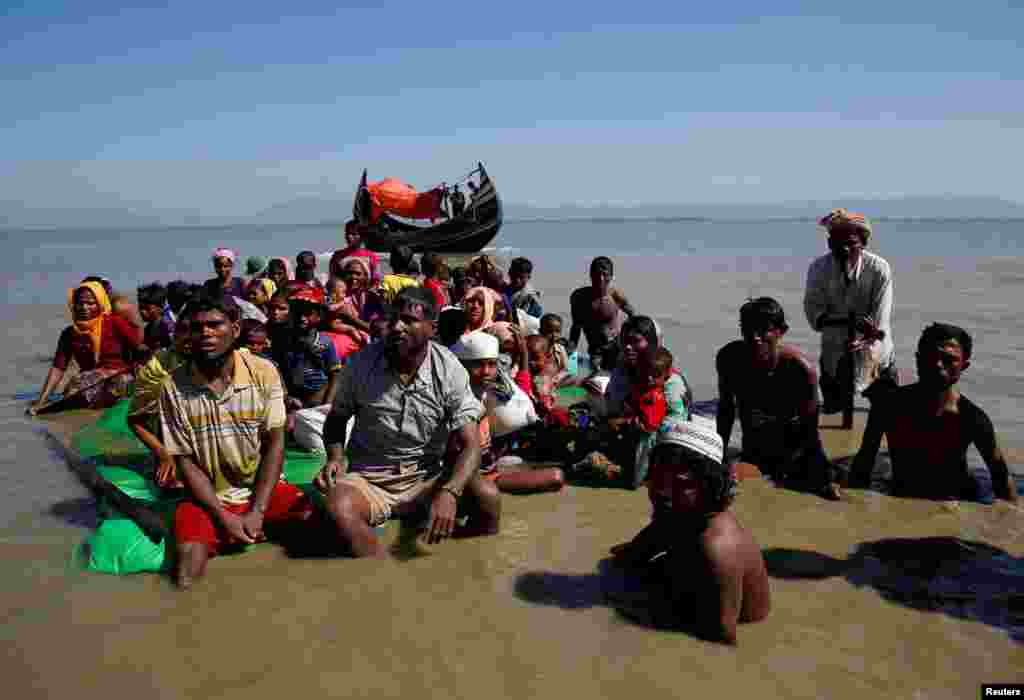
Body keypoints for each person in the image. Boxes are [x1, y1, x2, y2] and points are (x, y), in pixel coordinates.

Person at [313, 287, 500, 557]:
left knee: (489, 498)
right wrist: (335, 457)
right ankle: (379, 576)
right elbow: (335, 421)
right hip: (370, 480)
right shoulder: (361, 364)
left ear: (432, 328)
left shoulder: (448, 369)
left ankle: (466, 566)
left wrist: (449, 492)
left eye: (409, 320)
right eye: (392, 319)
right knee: (338, 509)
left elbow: (471, 445)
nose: (397, 326)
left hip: (427, 478)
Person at [158, 293, 317, 588]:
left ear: (235, 327)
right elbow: (185, 462)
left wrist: (257, 510)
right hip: (208, 501)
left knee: (322, 534)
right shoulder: (173, 386)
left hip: (265, 493)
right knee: (185, 573)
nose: (205, 333)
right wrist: (222, 517)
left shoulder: (263, 371)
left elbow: (275, 443)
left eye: (214, 324)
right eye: (197, 327)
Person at [610, 418, 771, 644]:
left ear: (710, 485)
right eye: (656, 479)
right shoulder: (677, 513)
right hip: (692, 592)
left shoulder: (717, 548)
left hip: (715, 621)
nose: (663, 492)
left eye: (681, 484)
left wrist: (640, 616)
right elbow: (631, 556)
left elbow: (721, 637)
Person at [850, 323, 1017, 503]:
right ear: (918, 358)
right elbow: (862, 467)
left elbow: (1001, 479)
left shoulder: (972, 419)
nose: (937, 364)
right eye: (930, 356)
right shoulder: (889, 406)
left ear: (964, 365)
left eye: (948, 359)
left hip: (958, 497)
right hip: (902, 490)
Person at [716, 298, 841, 501]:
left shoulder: (801, 370)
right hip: (754, 449)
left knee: (830, 493)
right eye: (748, 329)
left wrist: (821, 476)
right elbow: (726, 411)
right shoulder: (729, 359)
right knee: (722, 487)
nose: (755, 337)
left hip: (794, 451)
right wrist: (718, 456)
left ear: (780, 332)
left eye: (763, 329)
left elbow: (810, 432)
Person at [804, 209, 895, 412]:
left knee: (887, 410)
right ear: (829, 244)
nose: (844, 249)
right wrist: (844, 323)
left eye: (851, 243)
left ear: (863, 243)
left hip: (875, 350)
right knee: (833, 411)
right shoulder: (818, 269)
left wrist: (868, 336)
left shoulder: (879, 268)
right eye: (837, 243)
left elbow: (881, 316)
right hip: (834, 348)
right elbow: (813, 312)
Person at [450, 332, 565, 494]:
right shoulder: (458, 399)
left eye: (491, 365)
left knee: (554, 474)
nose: (486, 371)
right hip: (468, 477)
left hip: (490, 468)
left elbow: (522, 390)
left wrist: (523, 353)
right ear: (463, 366)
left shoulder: (494, 393)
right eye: (478, 365)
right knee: (553, 476)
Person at [592, 316, 691, 487]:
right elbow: (613, 408)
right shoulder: (622, 371)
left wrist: (626, 424)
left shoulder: (670, 381)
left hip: (660, 442)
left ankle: (637, 476)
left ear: (652, 343)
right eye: (624, 341)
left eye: (636, 341)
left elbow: (673, 425)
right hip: (627, 432)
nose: (628, 347)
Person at [28, 281, 143, 416]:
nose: (84, 307)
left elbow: (139, 347)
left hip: (119, 377)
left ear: (100, 304)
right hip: (90, 381)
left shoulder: (114, 322)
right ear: (73, 305)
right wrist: (42, 401)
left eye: (90, 303)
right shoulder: (69, 334)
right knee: (73, 389)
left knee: (117, 383)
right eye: (80, 303)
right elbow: (58, 368)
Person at [128, 312, 193, 489]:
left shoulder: (223, 362)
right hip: (174, 444)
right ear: (174, 334)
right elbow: (135, 419)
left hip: (218, 441)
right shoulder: (156, 368)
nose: (188, 337)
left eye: (194, 330)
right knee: (173, 483)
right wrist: (164, 455)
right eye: (182, 330)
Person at [282, 288, 343, 454]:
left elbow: (335, 375)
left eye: (308, 314)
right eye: (298, 313)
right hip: (293, 400)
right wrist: (287, 397)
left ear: (318, 316)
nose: (302, 318)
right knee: (287, 432)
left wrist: (327, 404)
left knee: (317, 443)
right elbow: (281, 372)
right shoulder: (286, 341)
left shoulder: (324, 343)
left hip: (318, 399)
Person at [569, 256, 635, 371]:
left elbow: (634, 318)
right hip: (595, 350)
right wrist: (571, 362)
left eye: (605, 275)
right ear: (590, 275)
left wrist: (628, 340)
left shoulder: (616, 296)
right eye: (596, 274)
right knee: (597, 375)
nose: (601, 279)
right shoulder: (579, 297)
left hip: (616, 346)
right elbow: (576, 327)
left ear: (611, 276)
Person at [337, 220, 382, 287]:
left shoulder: (371, 257)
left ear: (362, 236)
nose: (349, 236)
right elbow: (333, 280)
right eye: (347, 233)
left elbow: (376, 280)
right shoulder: (337, 256)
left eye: (354, 234)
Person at [137, 282, 174, 355]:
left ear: (160, 307)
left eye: (147, 309)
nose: (142, 312)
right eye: (140, 308)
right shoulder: (148, 328)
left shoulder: (167, 326)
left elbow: (172, 349)